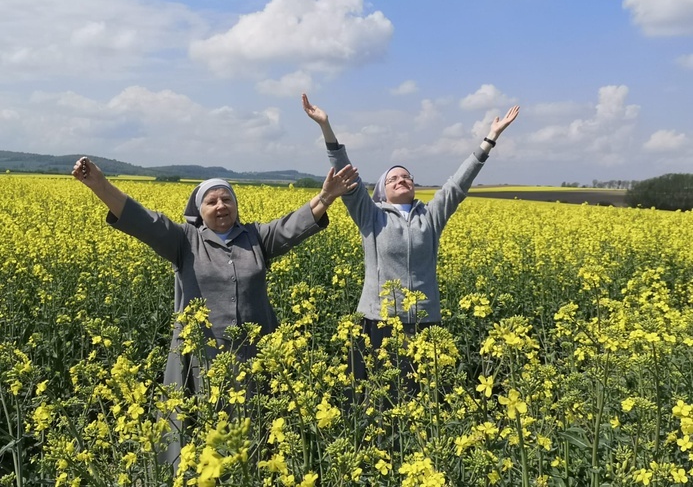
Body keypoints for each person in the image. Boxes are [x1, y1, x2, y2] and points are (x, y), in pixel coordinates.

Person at [71, 156, 358, 467]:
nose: (221, 206)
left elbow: (294, 225)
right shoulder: (183, 240)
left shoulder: (256, 238)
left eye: (227, 199)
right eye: (212, 201)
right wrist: (99, 185)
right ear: (199, 210)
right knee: (198, 435)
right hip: (201, 360)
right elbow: (141, 220)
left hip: (254, 357)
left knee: (258, 434)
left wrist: (327, 195)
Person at [302, 93, 519, 384]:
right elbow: (347, 177)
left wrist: (490, 138)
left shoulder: (430, 216)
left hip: (423, 321)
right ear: (382, 191)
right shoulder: (371, 215)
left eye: (406, 177)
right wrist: (326, 127)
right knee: (377, 398)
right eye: (393, 179)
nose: (402, 180)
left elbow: (457, 185)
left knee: (420, 400)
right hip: (378, 320)